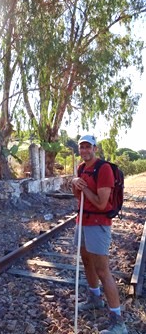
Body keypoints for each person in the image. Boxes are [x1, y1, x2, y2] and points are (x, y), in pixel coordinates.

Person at [72, 135, 128, 334]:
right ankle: (94, 298)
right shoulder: (81, 168)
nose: (85, 150)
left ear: (94, 148)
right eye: (82, 147)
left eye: (88, 147)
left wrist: (83, 186)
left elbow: (101, 203)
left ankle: (118, 323)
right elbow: (78, 196)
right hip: (82, 221)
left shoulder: (103, 169)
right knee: (86, 260)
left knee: (103, 270)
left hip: (98, 223)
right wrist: (75, 183)